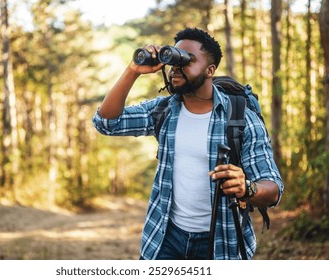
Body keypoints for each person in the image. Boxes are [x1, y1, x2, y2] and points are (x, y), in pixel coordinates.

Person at [92, 27, 284, 260]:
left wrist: (248, 188)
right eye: (174, 58)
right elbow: (106, 123)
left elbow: (273, 189)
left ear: (210, 70)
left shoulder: (240, 118)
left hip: (220, 242)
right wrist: (133, 70)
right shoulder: (163, 110)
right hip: (165, 237)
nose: (176, 66)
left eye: (186, 60)